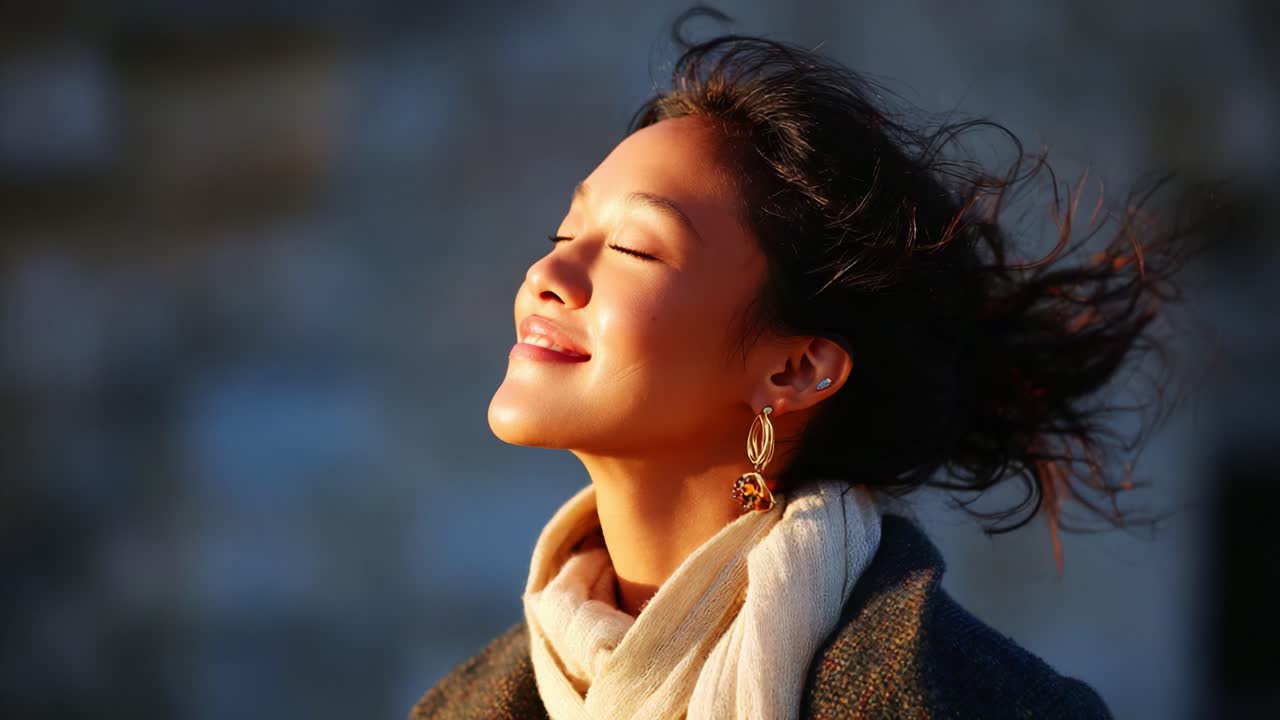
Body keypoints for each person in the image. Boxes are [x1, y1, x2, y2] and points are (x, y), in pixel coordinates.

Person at [411, 9, 1206, 719]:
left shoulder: (959, 699)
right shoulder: (467, 707)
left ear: (794, 371)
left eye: (633, 248)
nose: (547, 274)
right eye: (565, 232)